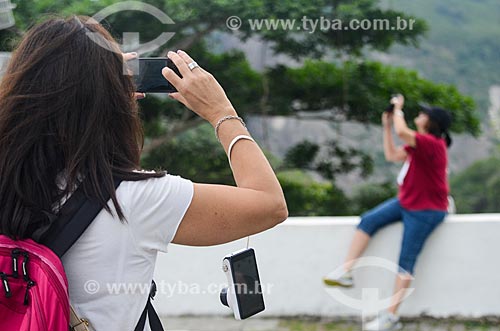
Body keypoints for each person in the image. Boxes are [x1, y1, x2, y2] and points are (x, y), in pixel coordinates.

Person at [0, 16, 288, 330]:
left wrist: (93, 79)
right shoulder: (135, 200)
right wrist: (222, 113)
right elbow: (269, 204)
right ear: (110, 97)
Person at [323, 95, 452, 331]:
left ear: (432, 123)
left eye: (424, 114)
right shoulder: (419, 145)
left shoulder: (431, 144)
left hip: (426, 210)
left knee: (406, 260)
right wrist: (386, 126)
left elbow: (402, 133)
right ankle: (347, 271)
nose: (420, 115)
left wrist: (398, 110)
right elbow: (392, 155)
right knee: (368, 221)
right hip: (405, 202)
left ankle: (391, 317)